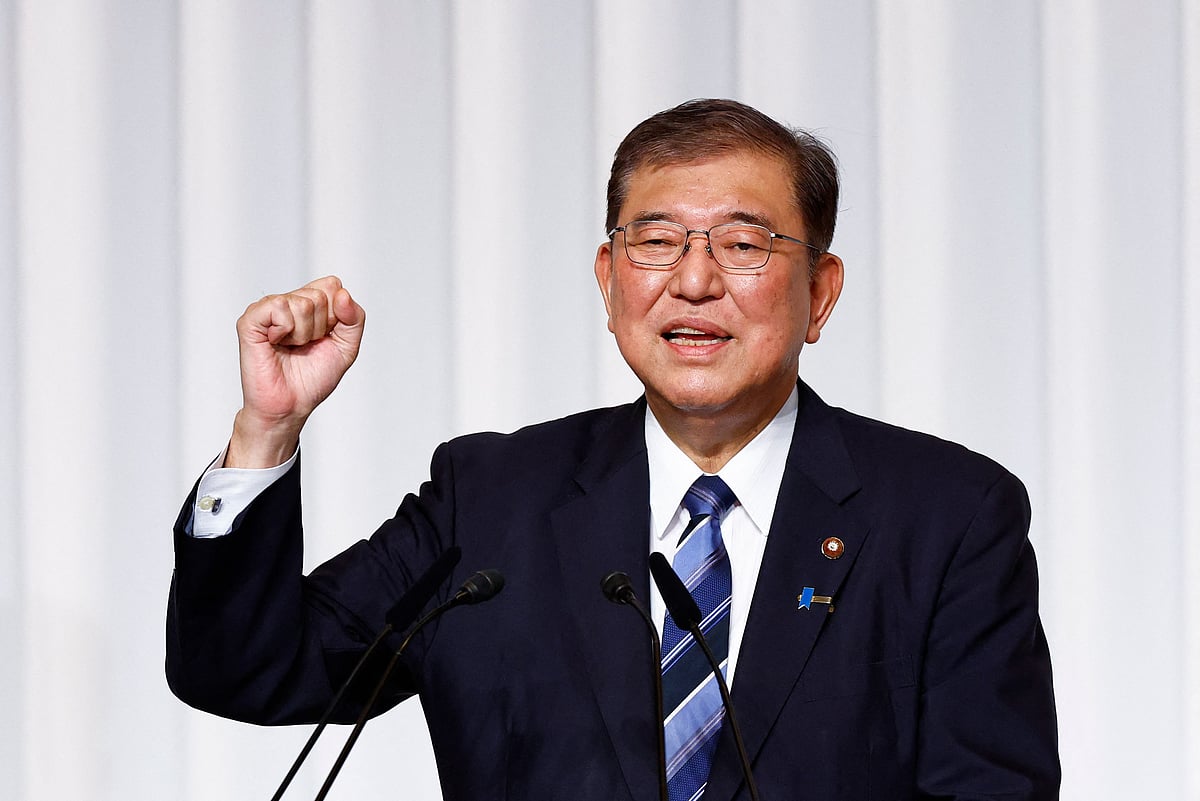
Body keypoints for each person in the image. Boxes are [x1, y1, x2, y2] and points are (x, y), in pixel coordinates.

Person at [167, 98, 1059, 800]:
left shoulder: (947, 517)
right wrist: (268, 429)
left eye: (745, 243)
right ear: (609, 280)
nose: (696, 279)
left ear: (820, 292)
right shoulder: (491, 501)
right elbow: (246, 668)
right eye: (658, 241)